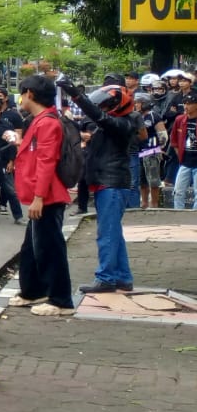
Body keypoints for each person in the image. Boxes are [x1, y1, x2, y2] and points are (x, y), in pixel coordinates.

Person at [58, 78, 136, 296]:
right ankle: (121, 276)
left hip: (111, 184)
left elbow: (97, 115)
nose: (102, 108)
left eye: (106, 105)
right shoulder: (118, 123)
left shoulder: (122, 124)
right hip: (109, 183)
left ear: (116, 106)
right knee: (113, 233)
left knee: (107, 234)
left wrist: (75, 94)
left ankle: (107, 278)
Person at [9, 74, 76, 315]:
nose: (20, 98)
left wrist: (38, 197)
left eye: (22, 92)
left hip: (47, 197)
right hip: (41, 195)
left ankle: (61, 300)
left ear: (30, 94)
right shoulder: (40, 120)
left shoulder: (47, 123)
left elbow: (47, 161)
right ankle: (33, 290)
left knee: (50, 248)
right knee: (31, 248)